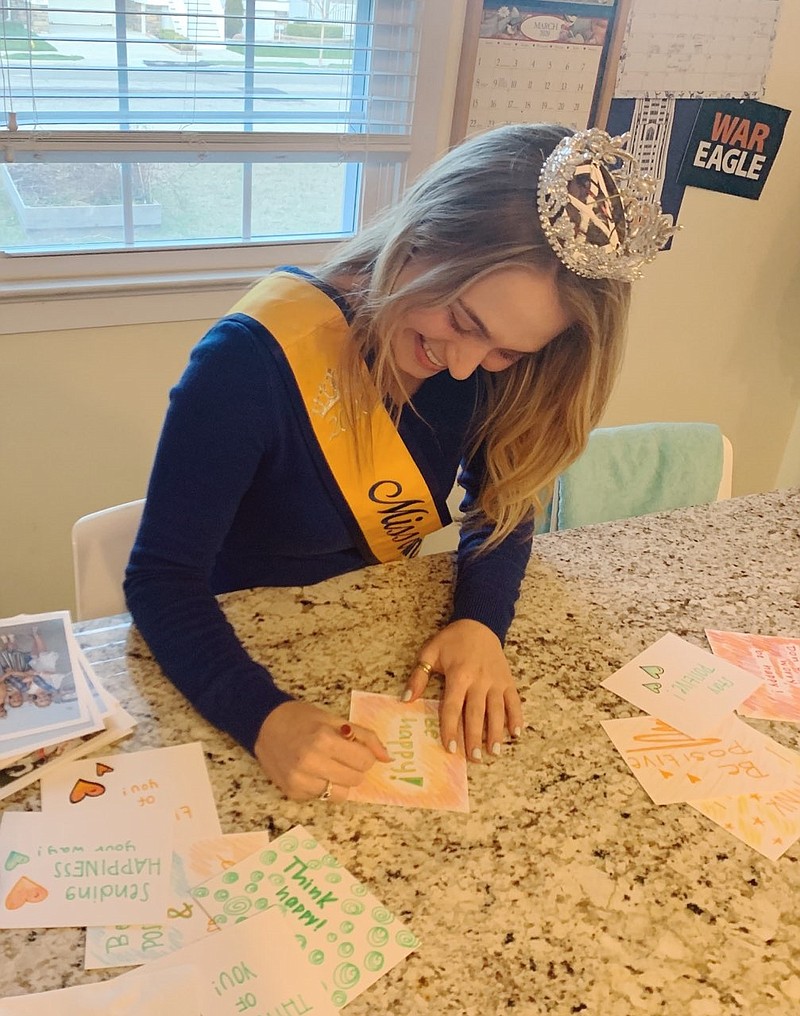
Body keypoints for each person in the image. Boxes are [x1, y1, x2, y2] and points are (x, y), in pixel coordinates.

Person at [125, 124, 674, 803]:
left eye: (508, 352)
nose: (468, 364)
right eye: (464, 321)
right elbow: (158, 580)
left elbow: (505, 500)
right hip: (232, 656)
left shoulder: (480, 357)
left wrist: (479, 621)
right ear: (419, 241)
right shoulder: (247, 363)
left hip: (371, 650)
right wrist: (264, 717)